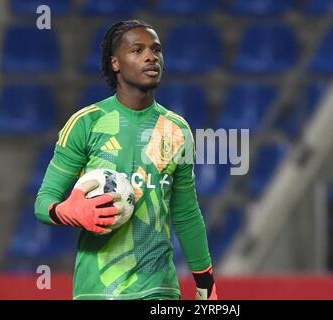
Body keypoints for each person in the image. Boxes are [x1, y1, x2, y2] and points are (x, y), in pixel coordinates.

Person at [34, 20, 217, 300]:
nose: (151, 56)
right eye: (137, 50)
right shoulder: (87, 123)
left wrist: (206, 285)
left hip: (159, 289)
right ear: (115, 63)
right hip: (97, 289)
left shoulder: (176, 129)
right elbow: (43, 202)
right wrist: (67, 211)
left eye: (156, 49)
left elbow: (186, 214)